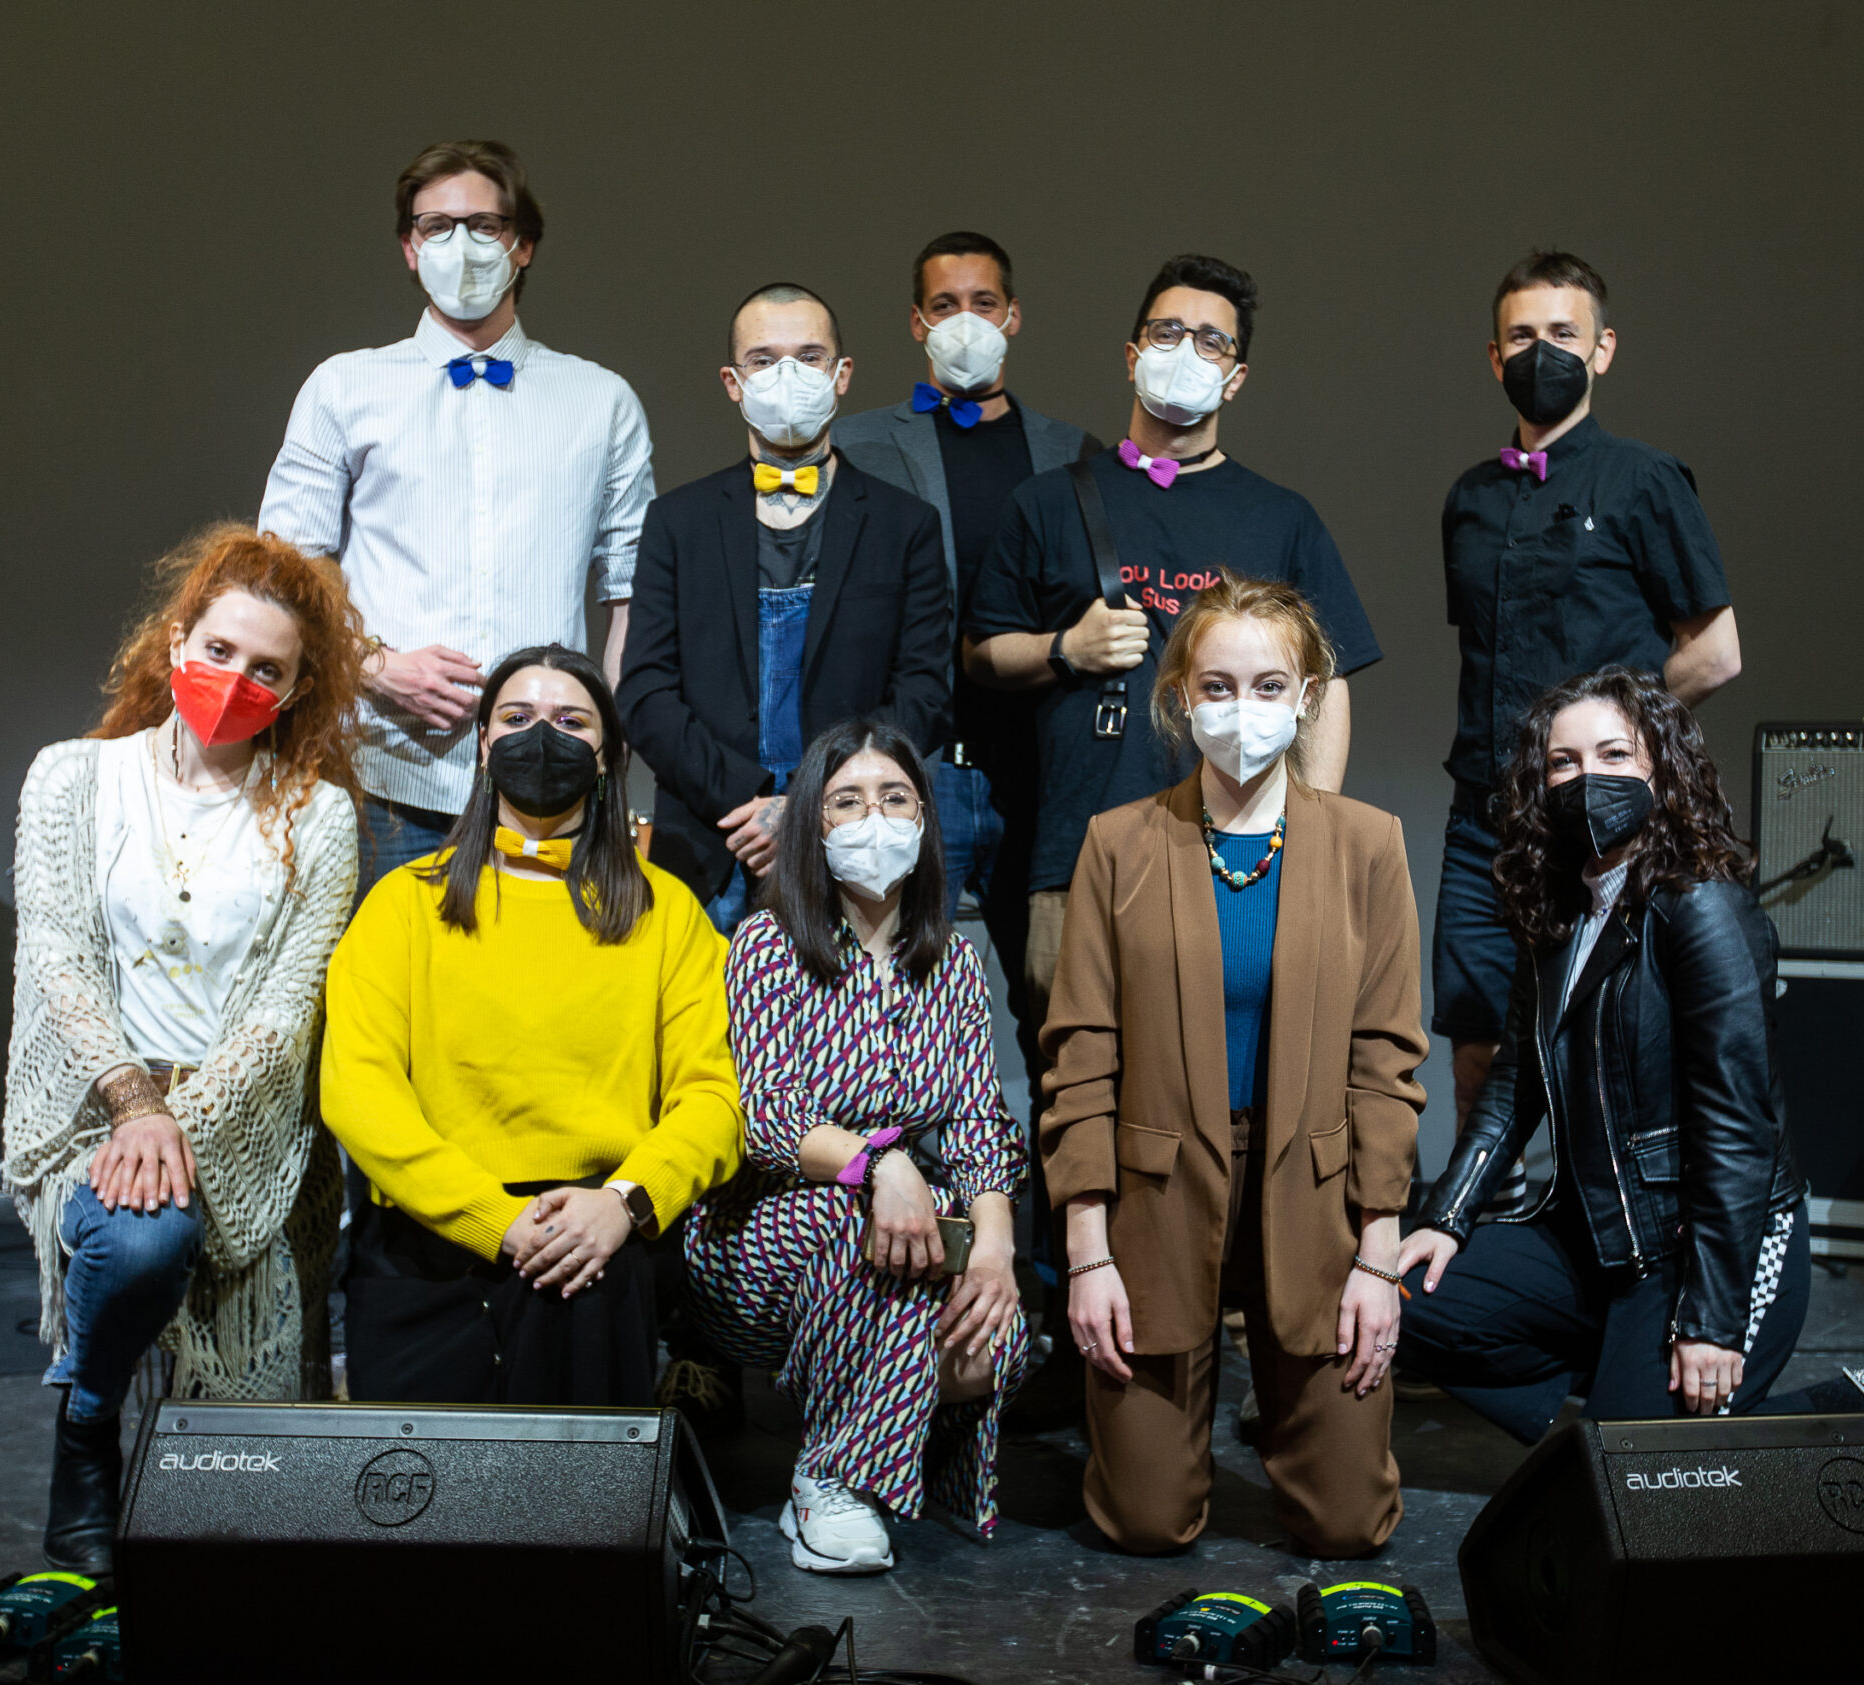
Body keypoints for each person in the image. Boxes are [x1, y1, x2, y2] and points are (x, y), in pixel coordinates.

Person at [1399, 668, 1864, 1437]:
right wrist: (1446, 1218)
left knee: (1630, 1472)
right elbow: (1514, 1083)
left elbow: (1738, 1132)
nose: (1587, 778)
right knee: (1390, 1301)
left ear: (1662, 769)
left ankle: (1849, 1401)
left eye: (1614, 754)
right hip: (1595, 1240)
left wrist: (1712, 1317)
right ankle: (1624, 1402)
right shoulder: (1557, 911)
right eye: (1563, 762)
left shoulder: (1704, 906)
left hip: (1706, 1249)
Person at [2, 524, 364, 1573]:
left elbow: (286, 1010)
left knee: (244, 1542)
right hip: (96, 1113)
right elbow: (56, 955)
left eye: (267, 669)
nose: (236, 679)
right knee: (142, 1243)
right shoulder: (72, 778)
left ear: (295, 690)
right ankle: (87, 1426)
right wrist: (133, 1103)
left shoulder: (320, 816)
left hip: (239, 1125)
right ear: (174, 644)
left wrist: (179, 1121)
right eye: (219, 650)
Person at [1041, 574, 1427, 1557]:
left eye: (1268, 686)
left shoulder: (1368, 845)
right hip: (1159, 1194)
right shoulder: (1118, 845)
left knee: (1347, 1525)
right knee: (1143, 1520)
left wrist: (1377, 1255)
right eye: (1217, 687)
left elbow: (1386, 1062)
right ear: (1180, 698)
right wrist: (1088, 1253)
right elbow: (1080, 1059)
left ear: (1307, 697)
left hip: (1316, 1193)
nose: (1242, 710)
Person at [965, 253, 1381, 1049]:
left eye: (1211, 341)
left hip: (1242, 854)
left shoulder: (1281, 518)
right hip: (1078, 853)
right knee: (1075, 1082)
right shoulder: (1049, 502)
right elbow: (982, 652)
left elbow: (1328, 682)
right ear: (1132, 355)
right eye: (1167, 333)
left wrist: (1313, 827)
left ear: (1236, 377)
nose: (1186, 352)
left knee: (1227, 1076)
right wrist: (1064, 646)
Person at [320, 644, 742, 1406]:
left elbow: (715, 1096)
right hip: (426, 1250)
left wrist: (625, 1203)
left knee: (575, 1478)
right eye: (516, 717)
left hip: (599, 1243)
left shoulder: (668, 913)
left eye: (571, 721)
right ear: (483, 746)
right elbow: (359, 1092)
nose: (541, 735)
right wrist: (497, 1219)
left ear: (606, 756)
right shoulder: (400, 906)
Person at [261, 139, 657, 902]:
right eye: (436, 227)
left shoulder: (601, 401)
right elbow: (282, 576)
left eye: (483, 225)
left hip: (550, 784)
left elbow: (633, 593)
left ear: (523, 244)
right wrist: (376, 666)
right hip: (381, 776)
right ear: (410, 249)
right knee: (378, 977)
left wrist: (609, 744)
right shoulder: (344, 387)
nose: (460, 245)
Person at [683, 720, 1028, 1574]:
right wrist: (883, 1163)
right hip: (761, 1228)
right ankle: (830, 1482)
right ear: (814, 822)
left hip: (907, 1223)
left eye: (894, 797)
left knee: (996, 1332)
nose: (874, 818)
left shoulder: (953, 964)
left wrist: (994, 1247)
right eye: (847, 801)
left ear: (924, 817)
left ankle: (855, 1444)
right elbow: (768, 1119)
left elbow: (979, 1121)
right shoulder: (768, 944)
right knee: (864, 1236)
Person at [1433, 251, 1744, 1143]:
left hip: (1601, 820)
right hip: (1483, 823)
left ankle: (1599, 1218)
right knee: (1477, 1049)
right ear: (1495, 356)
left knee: (1609, 1048)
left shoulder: (1646, 481)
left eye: (1564, 334)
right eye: (1522, 335)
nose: (1543, 352)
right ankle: (1489, 1214)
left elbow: (1715, 653)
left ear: (1602, 350)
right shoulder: (1469, 499)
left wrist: (1607, 739)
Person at [619, 283, 953, 935]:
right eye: (764, 360)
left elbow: (924, 695)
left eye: (808, 357)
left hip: (856, 846)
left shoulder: (905, 524)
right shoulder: (678, 522)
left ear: (841, 375)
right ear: (733, 382)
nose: (787, 376)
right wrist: (749, 798)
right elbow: (645, 693)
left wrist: (805, 805)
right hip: (712, 841)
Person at [831, 231, 1095, 965]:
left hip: (1037, 773)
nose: (966, 321)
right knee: (888, 987)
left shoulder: (1075, 455)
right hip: (912, 766)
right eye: (945, 306)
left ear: (1014, 316)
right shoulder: (854, 445)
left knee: (1058, 996)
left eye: (984, 302)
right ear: (918, 323)